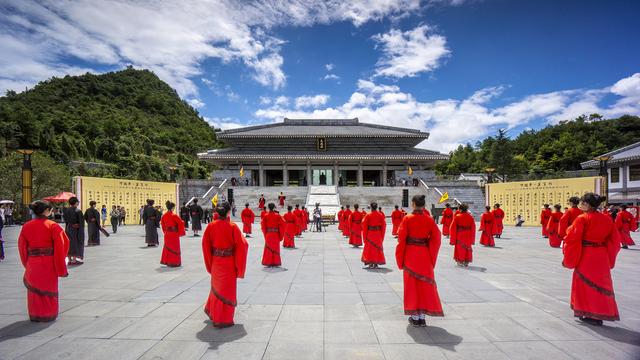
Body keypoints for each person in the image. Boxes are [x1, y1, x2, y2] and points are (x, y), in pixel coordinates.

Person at [562, 193, 621, 326]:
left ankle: (588, 311)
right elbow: (615, 240)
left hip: (586, 254)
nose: (580, 204)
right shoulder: (607, 219)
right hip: (601, 254)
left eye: (582, 202)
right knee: (602, 284)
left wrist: (569, 253)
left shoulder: (582, 218)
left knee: (583, 283)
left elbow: (572, 238)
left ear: (588, 204)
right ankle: (600, 313)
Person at [396, 194, 443, 327]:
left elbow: (401, 240)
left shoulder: (407, 219)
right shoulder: (429, 220)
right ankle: (422, 317)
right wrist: (430, 252)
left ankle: (414, 316)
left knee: (412, 286)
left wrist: (400, 258)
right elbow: (436, 239)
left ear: (413, 204)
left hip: (411, 255)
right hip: (424, 255)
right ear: (423, 205)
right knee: (425, 286)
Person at [18, 201, 69, 322]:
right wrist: (61, 265)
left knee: (34, 292)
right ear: (46, 211)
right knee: (49, 288)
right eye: (50, 210)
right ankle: (48, 313)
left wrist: (27, 263)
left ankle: (35, 313)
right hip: (49, 263)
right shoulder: (53, 226)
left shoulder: (26, 226)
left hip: (33, 263)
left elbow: (22, 247)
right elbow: (62, 245)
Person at [202, 201, 248, 328]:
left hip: (216, 263)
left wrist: (210, 263)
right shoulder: (233, 227)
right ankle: (223, 319)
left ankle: (214, 313)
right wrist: (239, 265)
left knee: (217, 289)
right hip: (229, 263)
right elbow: (243, 245)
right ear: (228, 212)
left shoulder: (211, 226)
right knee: (227, 290)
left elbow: (205, 246)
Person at [160, 200, 185, 267]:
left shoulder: (164, 216)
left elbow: (163, 225)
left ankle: (167, 261)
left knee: (167, 248)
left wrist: (165, 232)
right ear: (172, 208)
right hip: (174, 234)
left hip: (167, 234)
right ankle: (174, 262)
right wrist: (180, 232)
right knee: (175, 248)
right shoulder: (174, 216)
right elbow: (181, 223)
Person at [362, 203, 386, 268]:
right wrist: (382, 236)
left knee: (370, 248)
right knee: (377, 248)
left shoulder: (368, 215)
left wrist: (364, 237)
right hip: (378, 234)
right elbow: (384, 226)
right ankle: (376, 263)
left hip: (370, 234)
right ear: (376, 207)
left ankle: (370, 263)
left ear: (371, 208)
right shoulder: (380, 215)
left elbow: (364, 226)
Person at [261, 203, 285, 267]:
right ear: (274, 207)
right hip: (275, 234)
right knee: (275, 247)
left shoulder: (265, 216)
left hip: (269, 234)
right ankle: (275, 262)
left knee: (269, 248)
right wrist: (280, 234)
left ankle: (268, 262)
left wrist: (265, 234)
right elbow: (283, 224)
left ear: (268, 208)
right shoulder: (278, 216)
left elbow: (263, 227)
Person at [63, 197, 85, 265]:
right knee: (75, 243)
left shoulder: (66, 210)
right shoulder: (78, 211)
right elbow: (81, 222)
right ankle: (74, 260)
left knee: (69, 243)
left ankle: (69, 260)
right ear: (76, 203)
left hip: (68, 228)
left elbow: (65, 220)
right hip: (76, 229)